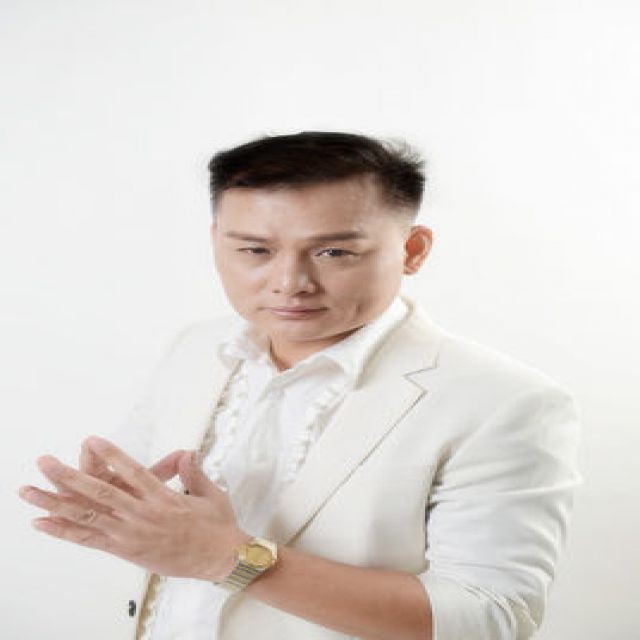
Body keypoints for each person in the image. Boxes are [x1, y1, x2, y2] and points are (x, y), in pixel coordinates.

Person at [19, 131, 582, 640]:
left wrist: (229, 558)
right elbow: (155, 522)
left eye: (334, 251)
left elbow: (489, 618)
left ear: (412, 250)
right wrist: (116, 508)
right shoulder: (196, 348)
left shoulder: (506, 402)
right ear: (217, 240)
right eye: (255, 250)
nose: (290, 283)